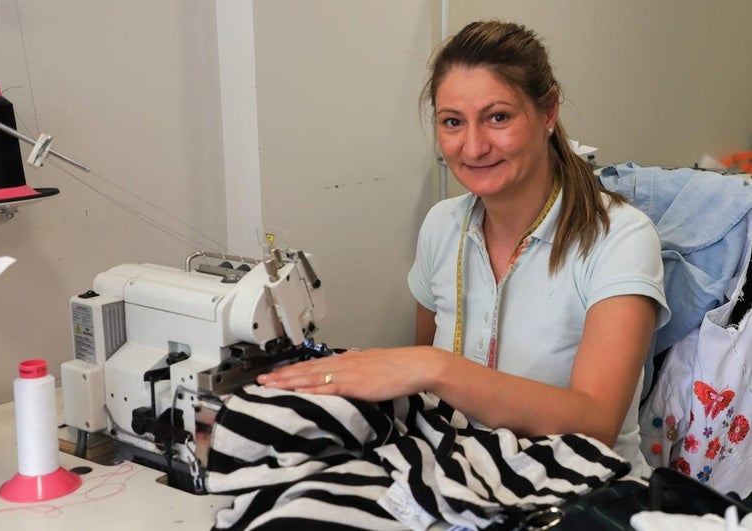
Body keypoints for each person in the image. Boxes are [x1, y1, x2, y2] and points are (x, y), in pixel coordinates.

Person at [257, 19, 670, 478]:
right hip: (469, 475)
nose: (473, 146)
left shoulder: (620, 238)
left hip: (586, 491)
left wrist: (435, 367)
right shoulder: (442, 226)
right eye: (453, 122)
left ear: (548, 111)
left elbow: (597, 424)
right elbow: (427, 398)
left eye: (498, 117)